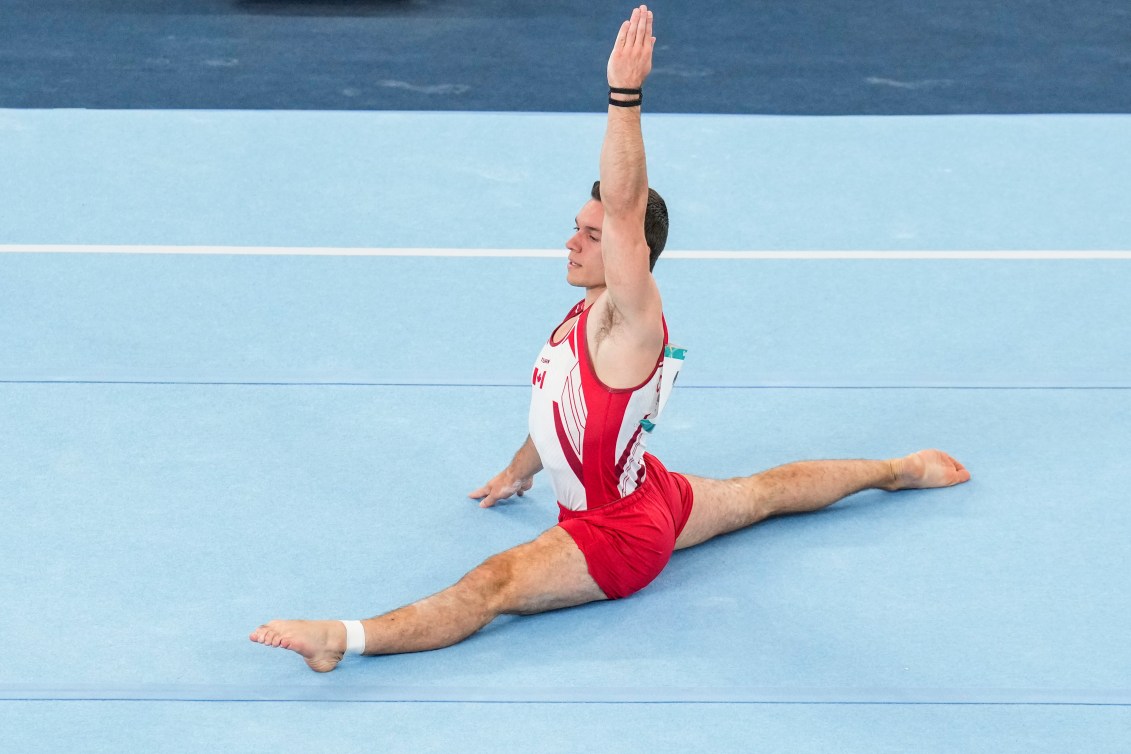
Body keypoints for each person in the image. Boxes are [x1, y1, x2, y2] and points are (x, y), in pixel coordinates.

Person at [249, 5, 970, 672]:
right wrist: (519, 468)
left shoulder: (630, 317)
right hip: (649, 495)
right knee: (760, 494)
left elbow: (625, 209)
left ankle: (339, 639)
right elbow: (562, 407)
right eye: (576, 226)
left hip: (614, 537)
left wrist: (623, 98)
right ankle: (898, 469)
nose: (571, 241)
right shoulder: (587, 316)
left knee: (490, 584)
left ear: (629, 255)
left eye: (591, 236)